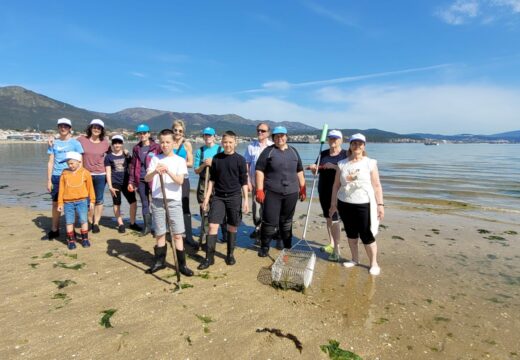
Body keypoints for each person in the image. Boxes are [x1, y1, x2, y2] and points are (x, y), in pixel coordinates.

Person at [329, 133, 385, 276]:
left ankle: (374, 263)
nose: (357, 146)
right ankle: (354, 259)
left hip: (364, 203)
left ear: (364, 146)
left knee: (367, 234)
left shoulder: (370, 162)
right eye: (354, 143)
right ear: (350, 145)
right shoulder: (342, 163)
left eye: (360, 144)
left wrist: (380, 205)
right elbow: (336, 186)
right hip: (345, 203)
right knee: (351, 233)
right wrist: (333, 204)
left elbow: (377, 185)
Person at [144, 129, 193, 276]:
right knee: (160, 233)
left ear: (173, 143)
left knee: (178, 234)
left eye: (168, 142)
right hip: (158, 199)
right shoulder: (155, 158)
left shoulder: (179, 160)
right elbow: (147, 178)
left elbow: (180, 181)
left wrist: (168, 171)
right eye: (162, 142)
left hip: (173, 201)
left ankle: (182, 264)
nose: (164, 145)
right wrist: (155, 172)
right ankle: (160, 262)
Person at [198, 131, 249, 269]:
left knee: (232, 226)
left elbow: (244, 181)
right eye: (225, 142)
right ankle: (209, 257)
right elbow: (212, 181)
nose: (227, 145)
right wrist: (207, 198)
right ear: (222, 143)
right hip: (218, 197)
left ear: (235, 143)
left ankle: (230, 254)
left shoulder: (240, 160)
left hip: (234, 197)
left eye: (230, 142)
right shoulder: (217, 158)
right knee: (213, 226)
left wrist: (246, 200)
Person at [255, 126, 307, 257]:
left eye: (282, 135)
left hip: (291, 192)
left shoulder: (294, 151)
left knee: (287, 221)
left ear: (286, 136)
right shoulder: (268, 151)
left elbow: (299, 170)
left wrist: (303, 188)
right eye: (277, 136)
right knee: (269, 221)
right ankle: (265, 247)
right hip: (272, 192)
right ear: (273, 138)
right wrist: (259, 189)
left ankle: (287, 245)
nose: (280, 138)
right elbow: (259, 170)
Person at [307, 130, 347, 261]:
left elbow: (349, 172)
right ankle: (331, 243)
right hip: (323, 189)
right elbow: (316, 172)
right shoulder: (323, 153)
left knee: (335, 218)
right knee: (328, 217)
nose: (333, 141)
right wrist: (314, 169)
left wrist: (335, 167)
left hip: (338, 191)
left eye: (335, 139)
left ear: (341, 140)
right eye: (330, 139)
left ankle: (337, 249)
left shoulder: (345, 154)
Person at [46, 118, 84, 240]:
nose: (63, 128)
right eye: (61, 126)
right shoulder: (54, 143)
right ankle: (54, 229)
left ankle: (70, 230)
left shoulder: (75, 143)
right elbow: (51, 161)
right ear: (58, 128)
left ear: (70, 129)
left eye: (66, 126)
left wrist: (79, 177)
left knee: (72, 204)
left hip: (71, 176)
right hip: (56, 176)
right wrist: (49, 180)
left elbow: (80, 162)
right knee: (55, 203)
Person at [56, 151, 95, 250]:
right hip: (68, 202)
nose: (70, 165)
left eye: (72, 163)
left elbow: (90, 188)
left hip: (82, 201)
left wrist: (92, 201)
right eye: (68, 163)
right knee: (69, 221)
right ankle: (71, 240)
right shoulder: (64, 173)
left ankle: (85, 239)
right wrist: (60, 203)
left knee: (83, 220)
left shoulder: (85, 173)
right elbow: (61, 189)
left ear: (79, 161)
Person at [77, 119, 110, 233]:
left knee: (99, 199)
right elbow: (70, 145)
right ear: (90, 128)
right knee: (86, 200)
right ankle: (89, 221)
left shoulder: (105, 142)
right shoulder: (82, 140)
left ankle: (96, 223)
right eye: (94, 127)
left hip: (101, 174)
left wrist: (125, 152)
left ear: (102, 130)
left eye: (99, 128)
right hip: (86, 174)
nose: (96, 129)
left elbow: (113, 153)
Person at [193, 127, 225, 242]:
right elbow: (196, 170)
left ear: (214, 136)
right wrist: (204, 165)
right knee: (204, 209)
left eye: (209, 135)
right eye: (205, 135)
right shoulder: (200, 151)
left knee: (218, 209)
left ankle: (223, 234)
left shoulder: (220, 150)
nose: (207, 137)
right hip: (203, 183)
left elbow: (224, 168)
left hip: (218, 183)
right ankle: (205, 234)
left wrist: (213, 163)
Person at [128, 124, 161, 235]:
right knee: (145, 202)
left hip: (154, 179)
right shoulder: (136, 148)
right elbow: (132, 165)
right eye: (140, 133)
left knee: (157, 202)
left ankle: (158, 227)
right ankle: (147, 227)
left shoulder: (156, 147)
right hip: (140, 179)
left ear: (149, 134)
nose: (142, 135)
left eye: (144, 133)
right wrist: (131, 181)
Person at [105, 135, 142, 233]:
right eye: (115, 143)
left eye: (119, 143)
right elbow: (108, 172)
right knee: (117, 203)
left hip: (127, 182)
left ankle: (132, 223)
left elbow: (132, 168)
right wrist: (110, 186)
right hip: (115, 183)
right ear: (112, 144)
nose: (117, 145)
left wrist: (133, 182)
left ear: (122, 144)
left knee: (133, 202)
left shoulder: (126, 155)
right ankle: (120, 223)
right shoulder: (108, 157)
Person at [170, 119, 198, 250]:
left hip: (184, 178)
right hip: (169, 179)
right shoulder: (169, 143)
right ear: (172, 130)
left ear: (183, 132)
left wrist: (176, 163)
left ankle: (189, 236)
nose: (177, 132)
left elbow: (191, 163)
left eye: (180, 131)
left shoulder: (187, 144)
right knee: (171, 206)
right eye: (175, 130)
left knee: (185, 207)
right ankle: (175, 233)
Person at [244, 122, 273, 242]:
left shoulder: (272, 146)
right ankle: (257, 227)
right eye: (258, 130)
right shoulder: (251, 147)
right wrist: (248, 182)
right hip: (255, 184)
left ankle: (265, 230)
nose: (260, 132)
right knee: (256, 208)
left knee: (268, 208)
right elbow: (247, 166)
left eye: (263, 131)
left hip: (270, 184)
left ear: (268, 133)